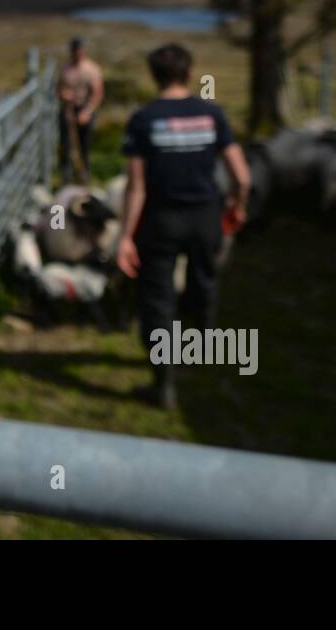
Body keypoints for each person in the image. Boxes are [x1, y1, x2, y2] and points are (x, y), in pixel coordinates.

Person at [115, 43, 250, 410]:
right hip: (206, 216)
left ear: (153, 75)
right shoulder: (213, 115)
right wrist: (237, 205)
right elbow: (241, 174)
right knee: (203, 281)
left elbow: (136, 186)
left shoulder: (143, 120)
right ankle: (199, 349)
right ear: (189, 74)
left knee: (156, 298)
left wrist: (125, 236)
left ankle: (163, 383)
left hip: (161, 220)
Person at [55, 37, 103, 184]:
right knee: (66, 144)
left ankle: (84, 174)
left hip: (85, 109)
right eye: (75, 50)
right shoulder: (65, 68)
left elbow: (97, 93)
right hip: (68, 110)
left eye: (80, 50)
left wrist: (87, 112)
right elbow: (60, 87)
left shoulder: (92, 69)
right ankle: (66, 176)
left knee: (84, 145)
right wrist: (64, 95)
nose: (78, 53)